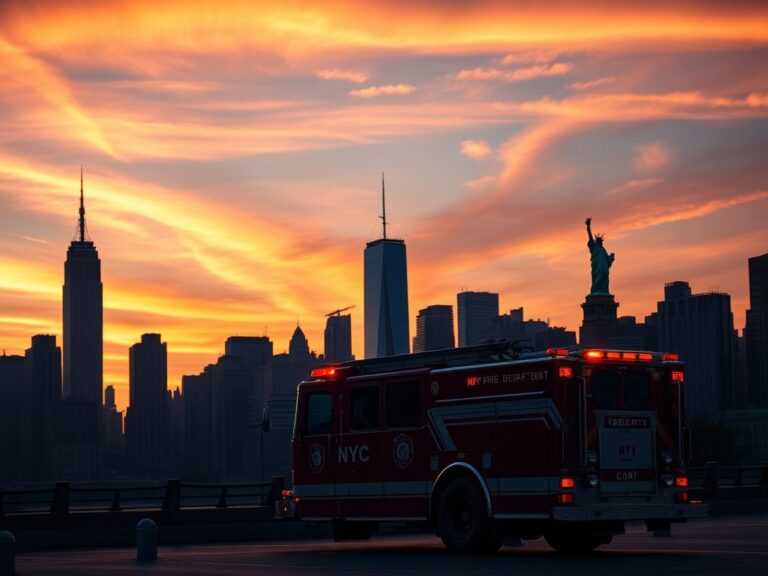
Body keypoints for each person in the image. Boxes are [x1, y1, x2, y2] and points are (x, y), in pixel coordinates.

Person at [585, 217, 615, 295]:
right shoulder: (593, 247)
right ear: (595, 242)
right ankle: (596, 291)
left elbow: (608, 262)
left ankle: (604, 291)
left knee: (604, 277)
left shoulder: (603, 250)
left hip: (604, 268)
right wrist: (588, 227)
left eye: (600, 241)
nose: (599, 242)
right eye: (598, 241)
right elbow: (590, 237)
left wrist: (611, 257)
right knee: (597, 279)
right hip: (596, 268)